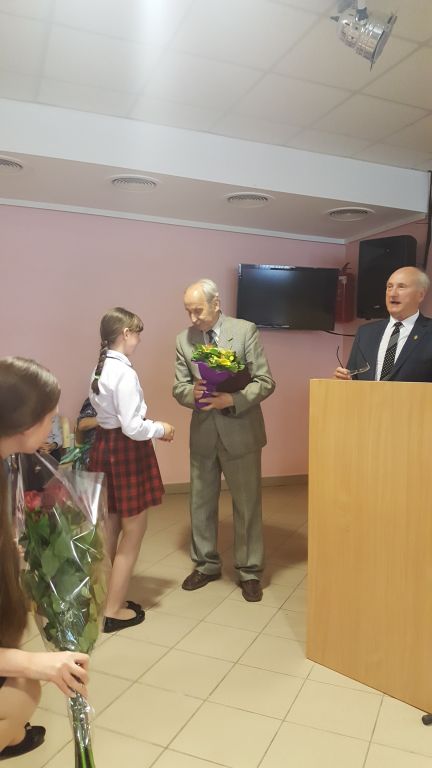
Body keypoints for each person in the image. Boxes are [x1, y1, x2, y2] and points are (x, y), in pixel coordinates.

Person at [0, 357, 89, 760]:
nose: (54, 425)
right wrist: (36, 664)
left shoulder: (8, 464)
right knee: (24, 691)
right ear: (24, 424)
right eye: (50, 417)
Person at [173, 279, 275, 602]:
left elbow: (265, 381)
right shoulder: (184, 340)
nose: (193, 319)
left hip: (241, 432)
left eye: (198, 311)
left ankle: (249, 571)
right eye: (188, 312)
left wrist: (232, 399)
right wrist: (193, 393)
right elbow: (178, 387)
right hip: (203, 434)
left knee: (247, 505)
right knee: (200, 503)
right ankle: (205, 564)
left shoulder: (245, 331)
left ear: (216, 304)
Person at [88, 307, 175, 633]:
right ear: (125, 333)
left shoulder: (100, 368)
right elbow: (133, 427)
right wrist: (161, 428)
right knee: (134, 532)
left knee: (111, 528)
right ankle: (113, 610)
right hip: (125, 450)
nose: (138, 340)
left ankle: (102, 602)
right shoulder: (123, 372)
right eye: (137, 333)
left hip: (105, 447)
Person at [334, 267, 432, 382]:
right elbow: (353, 377)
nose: (393, 293)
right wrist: (343, 379)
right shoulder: (365, 333)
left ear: (420, 295)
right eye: (389, 287)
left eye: (401, 287)